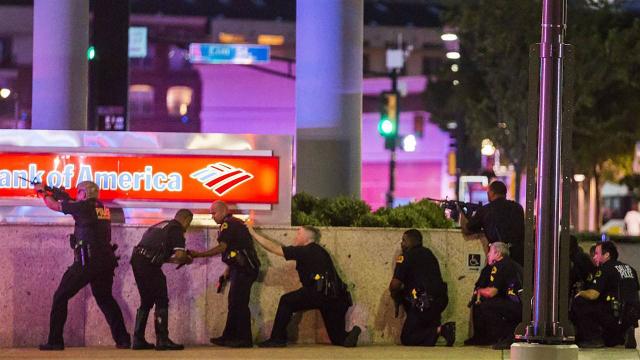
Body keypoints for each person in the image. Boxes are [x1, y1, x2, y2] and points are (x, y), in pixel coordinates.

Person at [35, 181, 131, 351]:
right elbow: (75, 206)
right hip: (105, 261)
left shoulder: (83, 207)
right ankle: (123, 340)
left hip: (87, 261)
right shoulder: (101, 208)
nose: (77, 195)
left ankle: (55, 341)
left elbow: (54, 206)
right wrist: (62, 196)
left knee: (60, 297)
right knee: (105, 299)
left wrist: (43, 192)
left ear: (84, 194)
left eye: (79, 192)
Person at [247, 224, 361, 348]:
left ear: (307, 238)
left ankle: (277, 339)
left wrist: (253, 233)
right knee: (339, 339)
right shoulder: (320, 251)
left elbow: (275, 249)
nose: (296, 236)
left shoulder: (306, 250)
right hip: (337, 297)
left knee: (286, 301)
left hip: (318, 292)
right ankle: (352, 333)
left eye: (299, 234)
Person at [189, 200, 260, 348]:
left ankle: (244, 339)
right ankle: (229, 337)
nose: (212, 216)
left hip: (245, 269)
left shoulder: (228, 224)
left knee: (239, 303)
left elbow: (222, 247)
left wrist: (199, 255)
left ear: (223, 211)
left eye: (213, 213)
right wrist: (227, 271)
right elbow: (233, 250)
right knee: (234, 301)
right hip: (240, 268)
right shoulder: (231, 223)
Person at [130, 209, 194, 350]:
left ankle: (138, 339)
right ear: (186, 220)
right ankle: (162, 339)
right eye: (189, 223)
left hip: (137, 259)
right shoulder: (177, 229)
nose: (188, 227)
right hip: (149, 264)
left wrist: (178, 259)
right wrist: (187, 259)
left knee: (146, 300)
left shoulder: (163, 224)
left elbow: (159, 255)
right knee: (161, 298)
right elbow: (179, 255)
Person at [389, 229, 455, 346]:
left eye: (404, 240)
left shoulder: (405, 257)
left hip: (423, 302)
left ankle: (441, 330)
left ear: (411, 242)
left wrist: (395, 297)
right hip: (440, 301)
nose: (401, 243)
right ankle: (435, 329)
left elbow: (395, 285)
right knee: (426, 336)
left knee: (407, 338)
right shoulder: (429, 254)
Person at [571, 241, 640, 348]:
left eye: (597, 254)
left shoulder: (605, 268)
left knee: (580, 301)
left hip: (615, 314)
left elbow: (593, 294)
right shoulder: (630, 269)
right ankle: (624, 333)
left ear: (606, 255)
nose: (594, 257)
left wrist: (580, 293)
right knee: (610, 340)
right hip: (632, 315)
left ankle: (593, 338)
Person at [464, 242, 523, 350]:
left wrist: (479, 292)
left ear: (497, 253)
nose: (488, 255)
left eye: (490, 252)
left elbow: (491, 292)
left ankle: (505, 337)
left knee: (486, 305)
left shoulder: (499, 266)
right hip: (523, 304)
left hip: (516, 306)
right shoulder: (511, 263)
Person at [460, 180, 525, 266]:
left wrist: (461, 212)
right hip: (518, 257)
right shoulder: (518, 208)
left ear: (492, 193)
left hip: (498, 257)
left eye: (488, 191)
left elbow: (467, 229)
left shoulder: (485, 210)